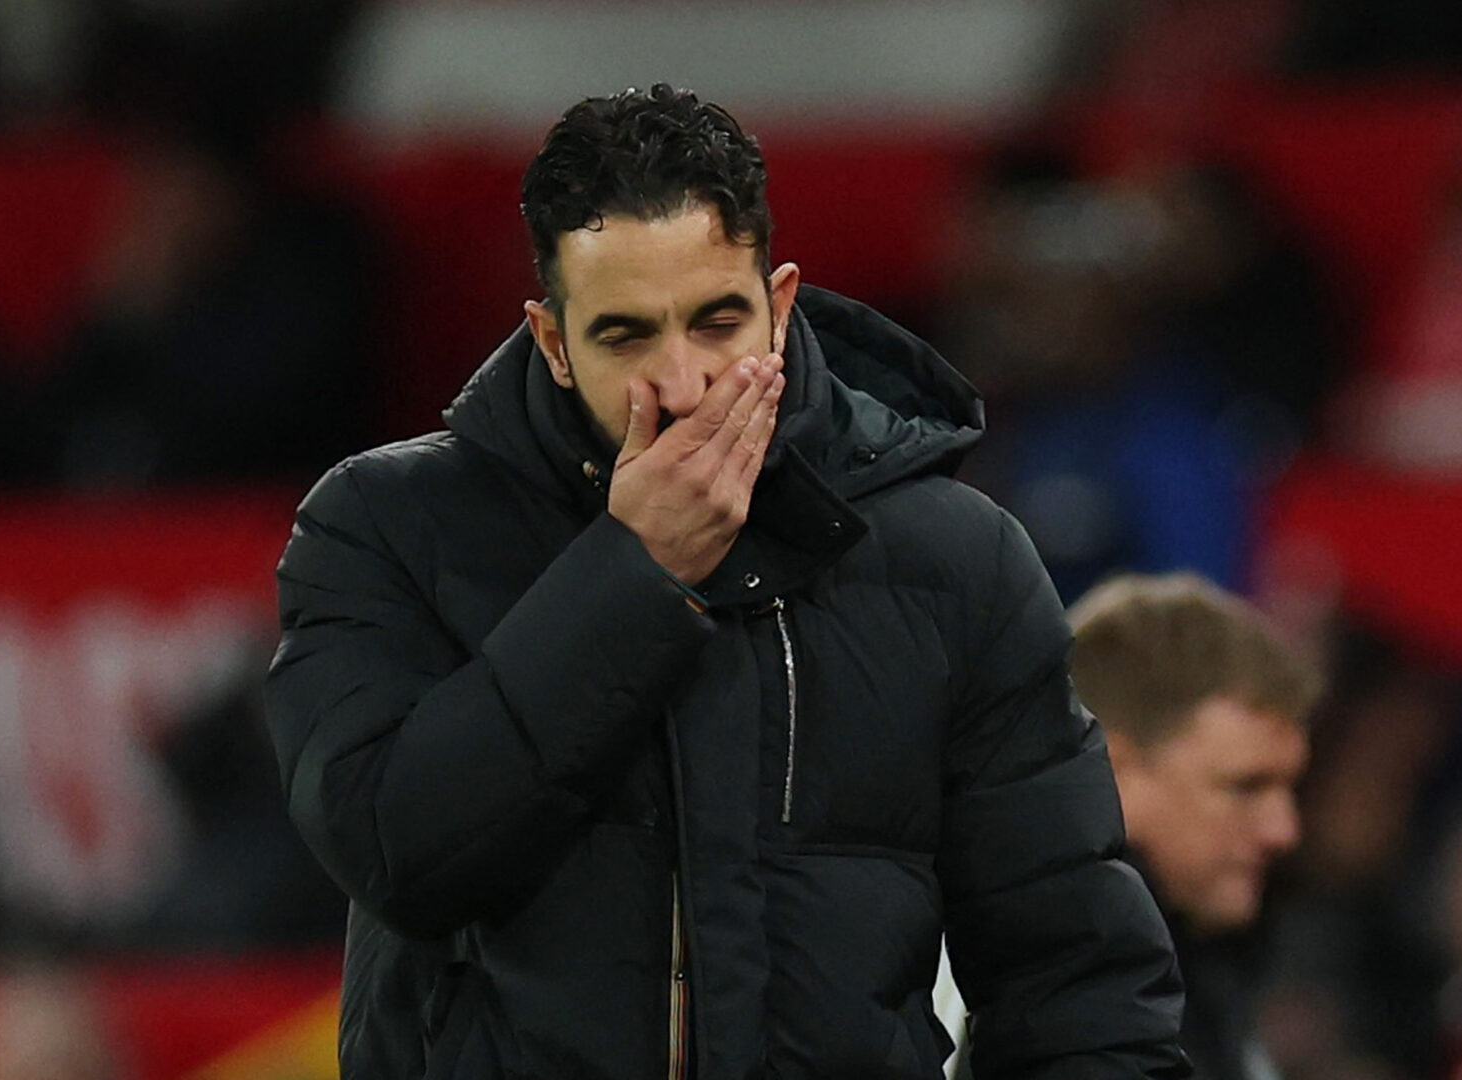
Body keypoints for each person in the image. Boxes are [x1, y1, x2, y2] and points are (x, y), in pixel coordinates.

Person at [264, 84, 1186, 1079]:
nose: (683, 382)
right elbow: (396, 852)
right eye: (625, 335)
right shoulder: (385, 527)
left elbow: (1075, 978)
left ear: (779, 305)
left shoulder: (953, 559)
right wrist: (634, 572)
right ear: (553, 341)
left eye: (717, 321)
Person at [1068, 572, 1322, 1080]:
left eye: (1288, 788)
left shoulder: (1193, 978)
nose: (1284, 830)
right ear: (1114, 773)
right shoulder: (1065, 1007)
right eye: (1245, 787)